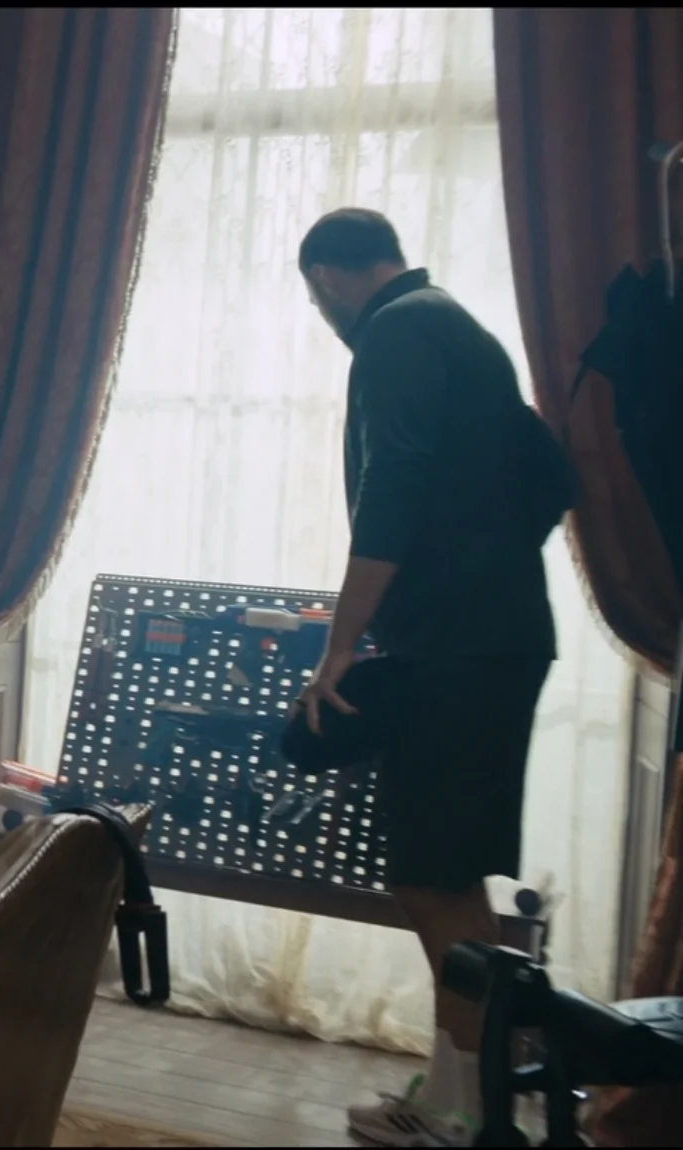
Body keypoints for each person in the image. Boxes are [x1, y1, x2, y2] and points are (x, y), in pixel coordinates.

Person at [294, 209, 556, 1147]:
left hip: (456, 650)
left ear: (327, 276)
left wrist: (341, 644)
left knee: (429, 880)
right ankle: (458, 1089)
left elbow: (392, 488)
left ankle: (464, 1109)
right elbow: (547, 478)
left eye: (315, 296)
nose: (322, 312)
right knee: (443, 880)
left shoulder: (397, 333)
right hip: (490, 640)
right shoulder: (454, 325)